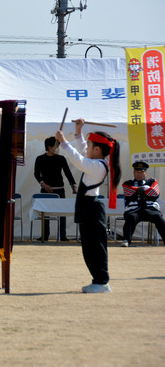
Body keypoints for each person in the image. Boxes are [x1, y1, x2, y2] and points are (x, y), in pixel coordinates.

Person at [56, 119, 121, 293]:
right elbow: (84, 153)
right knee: (89, 246)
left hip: (92, 208)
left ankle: (101, 282)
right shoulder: (97, 162)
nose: (88, 148)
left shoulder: (98, 166)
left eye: (91, 145)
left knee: (95, 246)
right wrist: (78, 132)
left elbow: (79, 160)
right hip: (89, 207)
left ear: (98, 149)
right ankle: (98, 280)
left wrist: (64, 142)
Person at [33, 136, 77, 241]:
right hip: (45, 189)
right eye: (56, 145)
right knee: (45, 212)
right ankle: (45, 235)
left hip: (59, 189)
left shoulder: (61, 158)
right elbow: (36, 174)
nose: (58, 148)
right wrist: (44, 185)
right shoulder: (40, 159)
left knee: (62, 212)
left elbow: (68, 173)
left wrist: (74, 186)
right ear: (49, 146)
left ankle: (63, 235)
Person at [120, 161, 165, 247]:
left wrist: (138, 191)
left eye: (141, 172)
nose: (139, 174)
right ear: (134, 172)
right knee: (130, 217)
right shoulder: (128, 183)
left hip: (150, 209)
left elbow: (154, 192)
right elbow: (128, 192)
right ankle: (126, 240)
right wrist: (145, 190)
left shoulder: (152, 181)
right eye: (137, 172)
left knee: (159, 218)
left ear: (146, 173)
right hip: (134, 210)